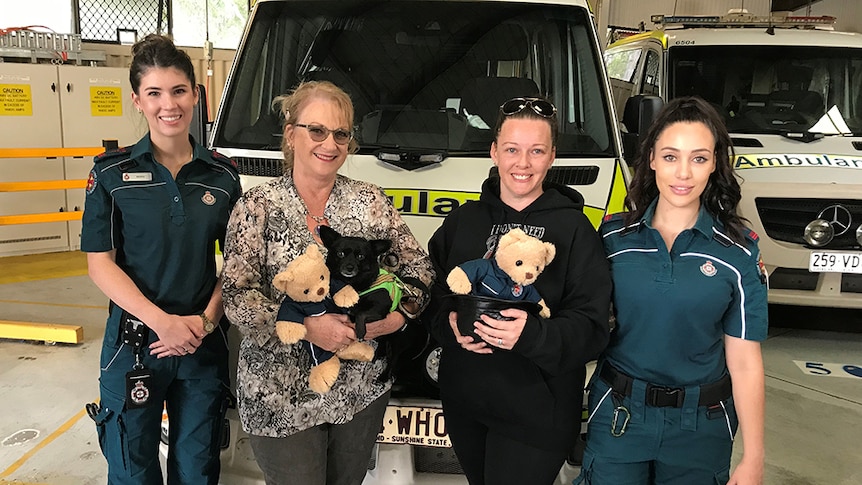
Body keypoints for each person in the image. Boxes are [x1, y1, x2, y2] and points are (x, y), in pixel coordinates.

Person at [221, 80, 434, 485]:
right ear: (290, 134)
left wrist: (399, 317)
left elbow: (420, 269)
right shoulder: (256, 206)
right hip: (279, 393)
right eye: (316, 130)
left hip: (359, 391)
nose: (329, 144)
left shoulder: (370, 201)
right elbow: (235, 295)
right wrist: (305, 326)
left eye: (341, 134)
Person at [575, 96, 768, 485]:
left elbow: (745, 361)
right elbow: (580, 323)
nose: (683, 173)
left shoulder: (738, 252)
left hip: (701, 425)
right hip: (619, 416)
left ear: (715, 164)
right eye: (669, 156)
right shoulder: (613, 238)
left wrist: (754, 457)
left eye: (698, 158)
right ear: (650, 159)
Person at [425, 96, 612, 485]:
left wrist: (531, 334)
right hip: (467, 403)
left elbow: (592, 326)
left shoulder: (576, 231)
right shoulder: (463, 222)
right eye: (511, 149)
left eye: (536, 151)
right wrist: (451, 325)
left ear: (552, 157)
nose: (522, 164)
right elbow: (434, 298)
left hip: (537, 414)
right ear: (494, 151)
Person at [81, 34, 241, 484]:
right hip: (134, 345)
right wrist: (161, 321)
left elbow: (237, 267)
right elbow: (100, 263)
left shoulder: (223, 176)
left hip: (199, 343)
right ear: (137, 100)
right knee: (133, 471)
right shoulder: (110, 174)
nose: (168, 104)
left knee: (198, 469)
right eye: (154, 93)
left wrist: (205, 324)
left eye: (178, 91)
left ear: (195, 94)